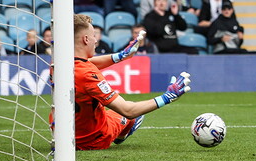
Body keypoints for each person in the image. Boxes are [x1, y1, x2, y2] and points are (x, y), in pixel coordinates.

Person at [69, 14, 190, 150]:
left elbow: (85, 63)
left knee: (106, 111)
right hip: (92, 140)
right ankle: (121, 135)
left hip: (65, 136)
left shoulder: (57, 65)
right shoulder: (88, 74)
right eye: (93, 36)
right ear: (85, 39)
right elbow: (128, 110)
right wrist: (167, 97)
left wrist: (121, 56)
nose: (96, 41)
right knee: (133, 114)